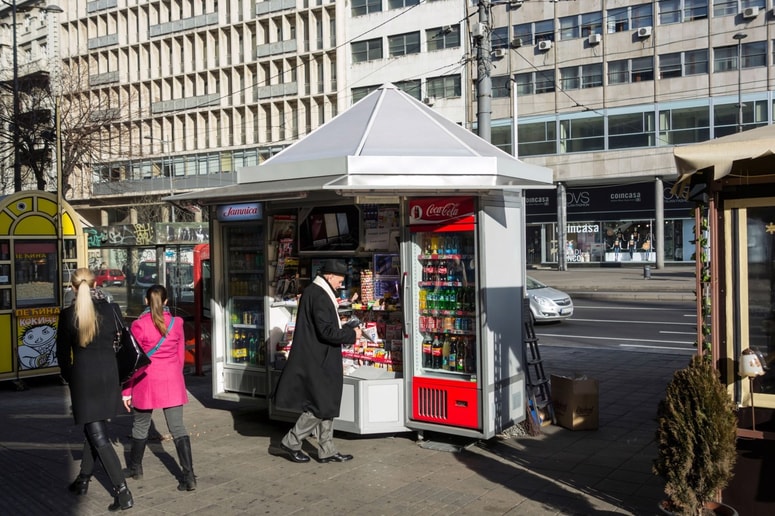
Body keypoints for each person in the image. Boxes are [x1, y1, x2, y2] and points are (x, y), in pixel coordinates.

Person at [56, 268, 134, 512]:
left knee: (98, 436)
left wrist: (70, 377)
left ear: (72, 287)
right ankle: (83, 479)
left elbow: (62, 355)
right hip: (109, 376)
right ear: (95, 284)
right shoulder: (112, 309)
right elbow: (121, 342)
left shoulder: (68, 315)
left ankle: (123, 492)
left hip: (84, 379)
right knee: (95, 429)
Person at [271, 259, 362, 463]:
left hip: (320, 357)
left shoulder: (315, 292)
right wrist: (351, 333)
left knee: (326, 402)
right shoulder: (319, 296)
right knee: (319, 405)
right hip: (318, 359)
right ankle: (292, 441)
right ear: (329, 276)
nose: (342, 283)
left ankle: (327, 449)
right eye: (340, 278)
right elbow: (326, 332)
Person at [122, 285, 196, 491]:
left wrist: (126, 391)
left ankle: (136, 468)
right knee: (177, 427)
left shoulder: (139, 325)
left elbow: (134, 360)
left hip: (146, 382)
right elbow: (180, 355)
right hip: (171, 380)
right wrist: (175, 375)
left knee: (140, 425)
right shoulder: (177, 322)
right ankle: (189, 477)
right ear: (165, 301)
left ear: (146, 301)